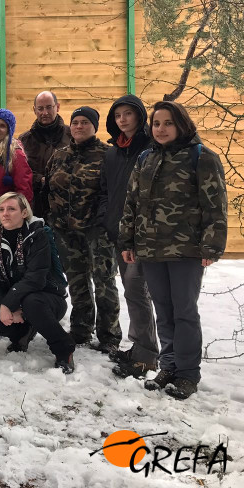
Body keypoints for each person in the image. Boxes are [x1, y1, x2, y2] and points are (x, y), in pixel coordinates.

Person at [119, 101, 227, 400]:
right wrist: (128, 241)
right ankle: (168, 365)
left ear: (181, 124)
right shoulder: (145, 158)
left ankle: (188, 374)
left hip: (186, 251)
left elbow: (215, 206)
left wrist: (211, 245)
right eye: (156, 124)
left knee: (185, 312)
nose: (161, 129)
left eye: (168, 123)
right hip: (151, 250)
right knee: (164, 311)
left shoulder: (201, 157)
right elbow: (132, 204)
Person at [45, 106, 121, 352]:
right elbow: (48, 187)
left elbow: (114, 193)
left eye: (85, 122)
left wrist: (105, 222)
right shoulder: (59, 155)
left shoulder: (108, 155)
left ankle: (109, 335)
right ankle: (81, 329)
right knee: (77, 282)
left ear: (94, 127)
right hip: (66, 231)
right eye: (75, 122)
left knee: (104, 282)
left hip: (97, 231)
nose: (79, 126)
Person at [0, 193, 76, 374]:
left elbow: (36, 278)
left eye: (11, 209)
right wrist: (4, 306)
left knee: (32, 302)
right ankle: (24, 333)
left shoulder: (38, 235)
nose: (5, 214)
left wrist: (9, 304)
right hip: (15, 299)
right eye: (1, 209)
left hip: (46, 299)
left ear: (24, 213)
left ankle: (64, 348)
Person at [99, 95, 158, 379]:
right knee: (131, 290)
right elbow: (106, 192)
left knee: (137, 290)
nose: (123, 119)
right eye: (118, 115)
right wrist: (108, 219)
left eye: (128, 114)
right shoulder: (112, 153)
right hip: (118, 233)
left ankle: (146, 354)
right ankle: (140, 348)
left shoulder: (151, 148)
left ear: (139, 116)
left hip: (142, 234)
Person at [19, 91, 71, 218]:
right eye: (40, 108)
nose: (45, 113)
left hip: (66, 207)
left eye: (49, 107)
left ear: (57, 107)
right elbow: (20, 172)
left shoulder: (72, 136)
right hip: (35, 207)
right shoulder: (24, 140)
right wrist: (40, 180)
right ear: (34, 110)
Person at [0, 108, 33, 218]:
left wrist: (18, 215)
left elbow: (24, 189)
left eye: (2, 126)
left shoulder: (15, 154)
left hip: (6, 215)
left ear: (9, 130)